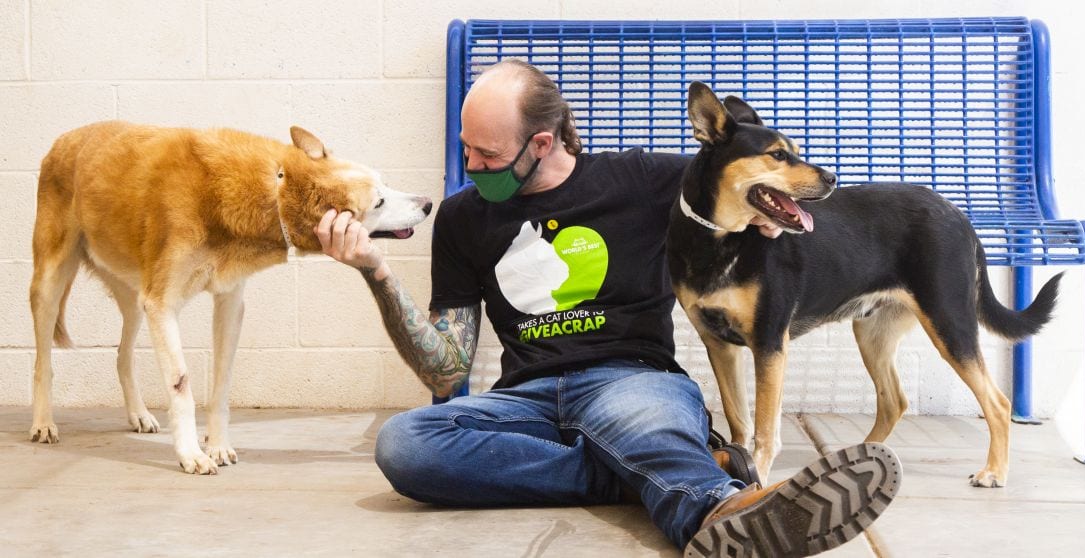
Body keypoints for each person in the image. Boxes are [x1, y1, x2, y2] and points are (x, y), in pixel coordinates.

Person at [314, 59, 900, 556]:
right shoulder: (465, 219)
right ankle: (648, 475)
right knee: (406, 445)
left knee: (649, 426)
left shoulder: (644, 178)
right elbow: (445, 370)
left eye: (487, 153)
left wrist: (765, 220)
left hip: (631, 379)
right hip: (527, 399)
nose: (471, 165)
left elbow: (740, 183)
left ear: (541, 143)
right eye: (466, 148)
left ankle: (724, 517)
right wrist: (377, 273)